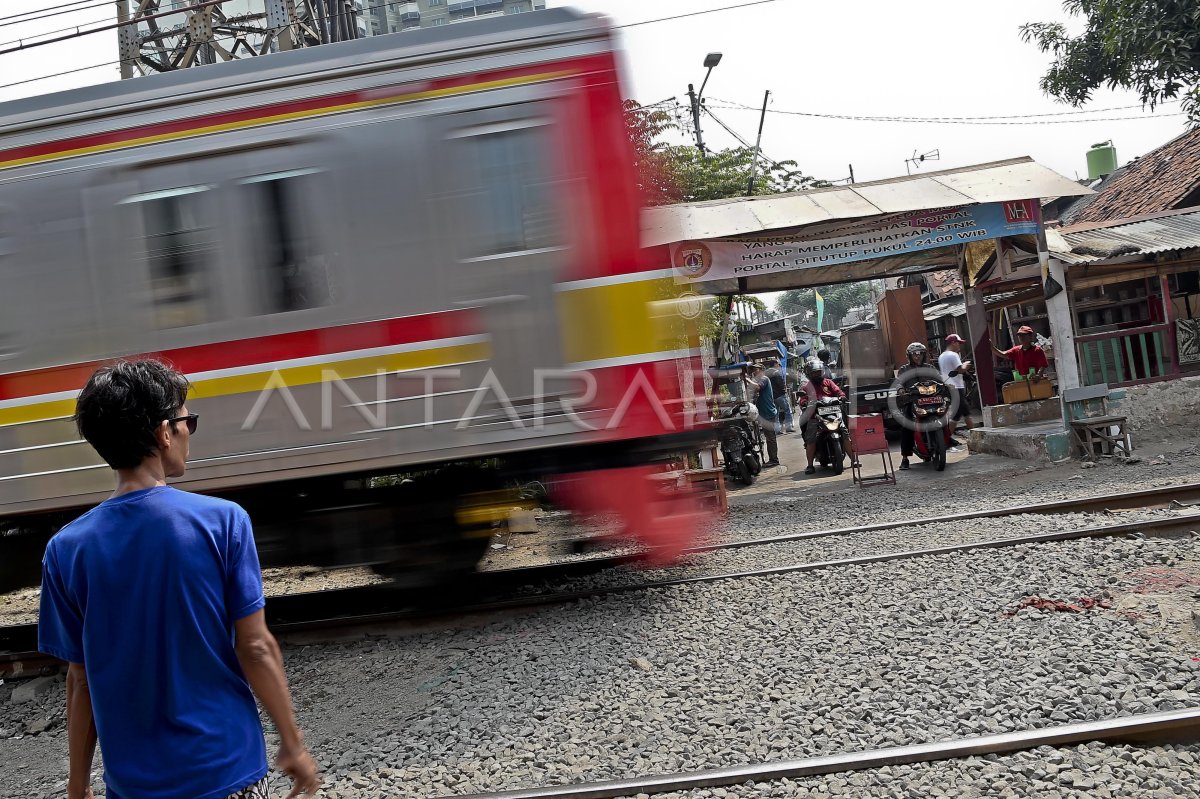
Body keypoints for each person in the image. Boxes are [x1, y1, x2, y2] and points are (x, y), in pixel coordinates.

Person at [39, 360, 320, 799]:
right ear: (164, 433)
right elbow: (256, 646)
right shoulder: (223, 523)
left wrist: (78, 783)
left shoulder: (66, 549)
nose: (189, 433)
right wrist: (292, 743)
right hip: (227, 769)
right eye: (187, 420)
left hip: (135, 786)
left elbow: (81, 678)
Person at [896, 341, 943, 470]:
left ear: (924, 355)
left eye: (920, 354)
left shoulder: (930, 368)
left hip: (932, 400)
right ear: (909, 356)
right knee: (907, 426)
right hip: (912, 401)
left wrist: (947, 384)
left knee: (945, 413)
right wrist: (900, 390)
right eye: (914, 354)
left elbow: (940, 379)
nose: (917, 356)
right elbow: (899, 382)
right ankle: (905, 458)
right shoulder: (904, 370)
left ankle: (947, 440)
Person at [797, 357, 846, 475]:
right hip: (815, 416)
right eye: (814, 372)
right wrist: (804, 403)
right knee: (811, 439)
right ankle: (810, 465)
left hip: (832, 413)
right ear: (809, 373)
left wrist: (842, 396)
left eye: (818, 372)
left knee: (846, 432)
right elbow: (802, 399)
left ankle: (854, 460)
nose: (817, 374)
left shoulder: (829, 382)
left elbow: (838, 391)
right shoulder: (806, 387)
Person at [938, 333, 975, 451]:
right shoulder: (953, 355)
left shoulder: (941, 356)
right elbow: (961, 370)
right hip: (957, 388)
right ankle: (976, 439)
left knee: (956, 416)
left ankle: (945, 441)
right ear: (953, 343)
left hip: (948, 388)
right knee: (967, 413)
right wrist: (967, 364)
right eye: (958, 343)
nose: (960, 346)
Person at [748, 364, 780, 467]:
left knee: (770, 437)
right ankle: (772, 458)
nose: (754, 372)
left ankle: (774, 459)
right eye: (753, 370)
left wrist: (747, 379)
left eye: (756, 370)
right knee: (768, 436)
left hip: (768, 412)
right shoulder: (760, 379)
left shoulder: (764, 379)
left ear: (762, 370)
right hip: (763, 413)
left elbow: (757, 388)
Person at [764, 359, 794, 433]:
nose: (779, 366)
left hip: (772, 396)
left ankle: (777, 430)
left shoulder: (766, 373)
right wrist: (784, 390)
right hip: (780, 395)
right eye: (778, 364)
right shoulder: (776, 372)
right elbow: (780, 383)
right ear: (775, 364)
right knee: (787, 410)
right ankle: (788, 427)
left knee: (776, 413)